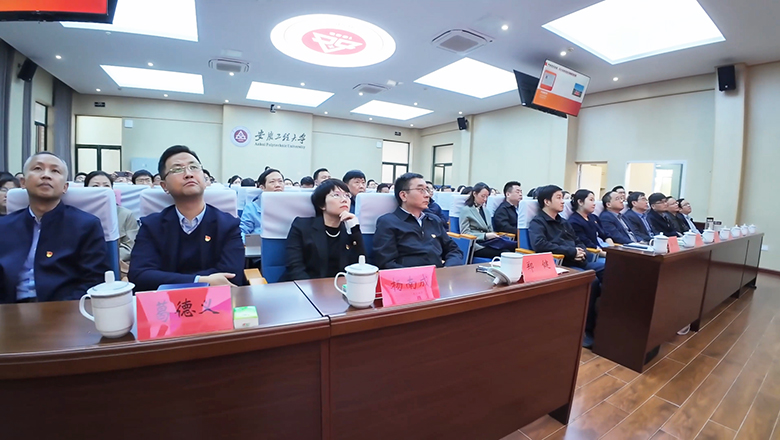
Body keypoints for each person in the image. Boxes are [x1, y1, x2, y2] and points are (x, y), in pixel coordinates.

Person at [129, 145, 244, 291]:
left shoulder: (228, 224)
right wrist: (201, 280)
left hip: (215, 302)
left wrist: (168, 279)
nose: (188, 174)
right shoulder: (151, 226)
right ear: (164, 186)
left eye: (194, 167)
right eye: (177, 169)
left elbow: (232, 276)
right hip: (165, 303)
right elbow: (139, 276)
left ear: (204, 179)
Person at [0, 152, 109, 303]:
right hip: (9, 308)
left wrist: (62, 310)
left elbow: (94, 281)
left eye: (55, 171)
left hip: (63, 308)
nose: (46, 175)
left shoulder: (86, 225)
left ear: (65, 187)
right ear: (23, 182)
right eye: (38, 169)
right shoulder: (4, 226)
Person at [528, 184, 603, 348]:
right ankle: (585, 329)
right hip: (560, 264)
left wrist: (580, 250)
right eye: (559, 197)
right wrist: (571, 251)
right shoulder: (538, 222)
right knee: (592, 281)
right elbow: (539, 245)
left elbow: (578, 241)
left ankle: (607, 321)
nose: (563, 201)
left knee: (610, 270)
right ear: (547, 201)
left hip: (578, 261)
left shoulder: (563, 222)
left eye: (563, 197)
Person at [373, 173, 463, 269]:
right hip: (408, 276)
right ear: (403, 195)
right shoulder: (388, 222)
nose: (427, 195)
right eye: (421, 190)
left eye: (427, 190)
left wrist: (447, 268)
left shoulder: (433, 220)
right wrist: (416, 276)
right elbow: (385, 263)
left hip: (438, 275)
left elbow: (454, 250)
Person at [283, 179, 365, 281]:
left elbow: (361, 264)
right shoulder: (302, 226)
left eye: (347, 195)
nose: (344, 200)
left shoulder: (349, 230)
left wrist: (355, 229)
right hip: (306, 285)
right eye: (336, 195)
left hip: (340, 286)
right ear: (322, 205)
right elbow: (294, 267)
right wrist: (309, 289)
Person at [84, 171, 139, 273]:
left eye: (106, 186)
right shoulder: (77, 215)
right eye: (95, 186)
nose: (102, 189)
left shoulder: (125, 214)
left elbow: (130, 246)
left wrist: (105, 258)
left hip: (116, 263)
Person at [460, 183, 505, 259]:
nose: (485, 199)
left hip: (488, 242)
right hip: (476, 244)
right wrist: (485, 236)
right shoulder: (466, 210)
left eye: (487, 197)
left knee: (508, 249)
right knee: (503, 253)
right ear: (474, 194)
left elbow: (490, 229)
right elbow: (465, 233)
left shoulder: (486, 211)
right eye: (483, 196)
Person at [240, 168, 284, 240]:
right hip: (258, 244)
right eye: (272, 182)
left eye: (280, 181)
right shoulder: (252, 208)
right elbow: (243, 232)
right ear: (262, 187)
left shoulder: (290, 206)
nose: (277, 185)